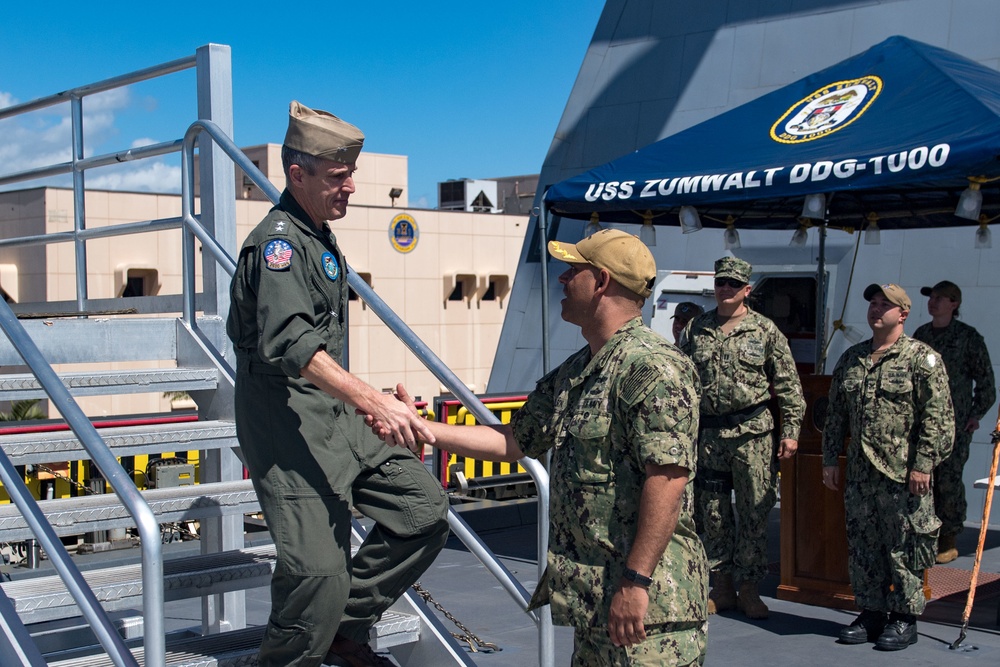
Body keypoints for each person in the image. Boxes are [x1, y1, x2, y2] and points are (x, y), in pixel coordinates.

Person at [369, 228, 709, 665]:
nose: (563, 280)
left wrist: (636, 582)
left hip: (649, 611)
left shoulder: (653, 369)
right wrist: (423, 427)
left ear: (601, 282)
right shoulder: (577, 371)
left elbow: (667, 481)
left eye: (574, 271)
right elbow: (514, 441)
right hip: (596, 604)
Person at [227, 101, 450, 667]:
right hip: (287, 423)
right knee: (317, 574)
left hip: (335, 415)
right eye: (337, 176)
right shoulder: (277, 244)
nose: (350, 186)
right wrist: (372, 399)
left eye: (351, 174)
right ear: (296, 174)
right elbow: (293, 345)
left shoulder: (316, 234)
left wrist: (368, 403)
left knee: (423, 511)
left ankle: (342, 628)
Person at [822, 283, 953, 651]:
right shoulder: (852, 359)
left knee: (905, 545)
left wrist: (924, 464)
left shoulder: (920, 359)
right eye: (873, 304)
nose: (876, 310)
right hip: (862, 475)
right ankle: (872, 611)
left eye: (885, 305)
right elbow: (836, 415)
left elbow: (938, 417)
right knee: (864, 545)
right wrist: (831, 459)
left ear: (903, 313)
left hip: (904, 475)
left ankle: (904, 618)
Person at [679, 256, 805, 619]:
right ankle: (721, 587)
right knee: (713, 513)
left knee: (753, 513)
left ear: (747, 290)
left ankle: (749, 588)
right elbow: (683, 382)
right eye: (721, 282)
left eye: (734, 284)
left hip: (753, 436)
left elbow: (788, 386)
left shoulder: (765, 332)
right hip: (711, 436)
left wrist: (791, 432)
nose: (726, 289)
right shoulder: (696, 330)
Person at [913, 280, 996, 564]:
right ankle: (924, 533)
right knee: (922, 478)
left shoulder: (968, 338)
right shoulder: (921, 335)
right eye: (930, 297)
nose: (932, 302)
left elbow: (986, 381)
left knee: (947, 480)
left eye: (939, 298)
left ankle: (948, 537)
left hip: (955, 424)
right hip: (922, 421)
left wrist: (975, 415)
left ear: (954, 304)